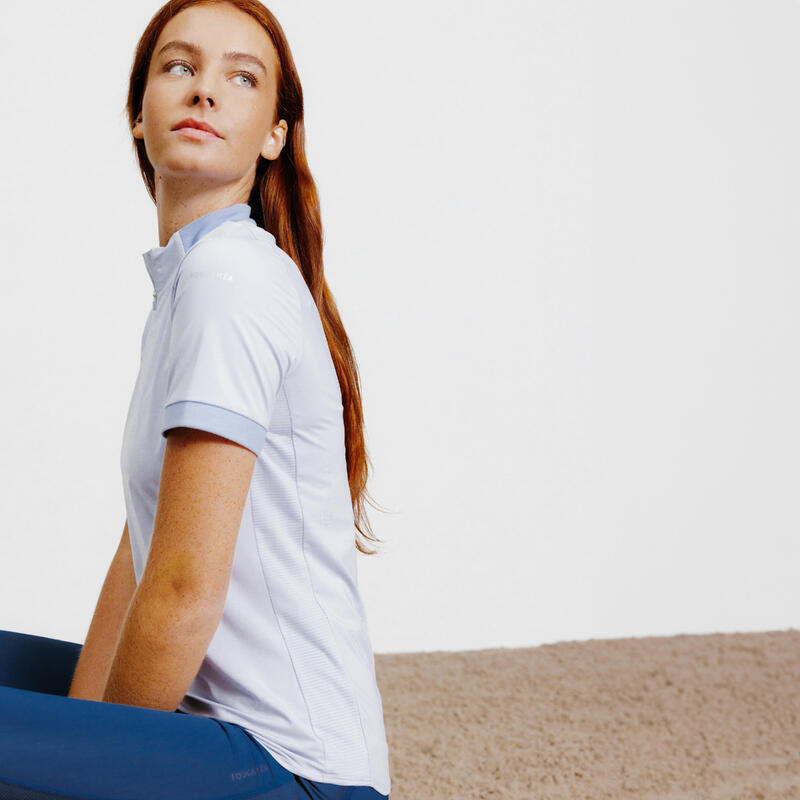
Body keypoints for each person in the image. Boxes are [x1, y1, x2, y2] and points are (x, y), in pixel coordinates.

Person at [0, 1, 391, 798]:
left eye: (241, 78)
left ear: (274, 135)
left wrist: (91, 763)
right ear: (138, 115)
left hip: (293, 771)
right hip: (212, 734)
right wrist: (79, 730)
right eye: (179, 67)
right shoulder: (192, 276)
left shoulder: (231, 282)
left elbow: (181, 592)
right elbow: (141, 547)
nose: (205, 90)